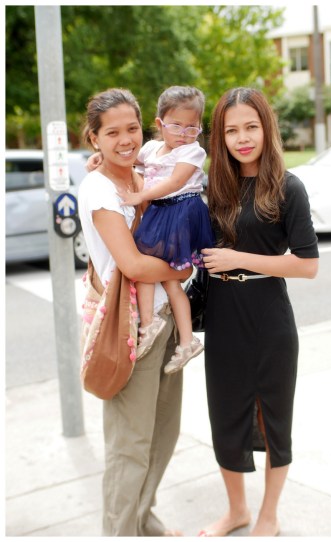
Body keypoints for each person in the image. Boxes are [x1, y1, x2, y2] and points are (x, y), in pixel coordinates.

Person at [197, 87, 319, 537]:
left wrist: (238, 258)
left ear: (267, 128)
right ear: (220, 136)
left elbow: (307, 265)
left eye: (251, 127)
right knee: (225, 416)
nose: (242, 138)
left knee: (274, 419)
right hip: (223, 316)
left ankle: (268, 514)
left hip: (269, 316)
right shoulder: (213, 185)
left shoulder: (288, 186)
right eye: (231, 130)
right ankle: (237, 511)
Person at [78, 87, 192, 536]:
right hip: (132, 329)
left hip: (163, 321)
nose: (125, 139)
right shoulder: (99, 189)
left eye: (131, 129)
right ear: (94, 139)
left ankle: (144, 518)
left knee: (164, 435)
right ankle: (121, 530)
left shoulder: (142, 172)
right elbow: (132, 264)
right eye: (112, 133)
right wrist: (181, 269)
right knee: (130, 445)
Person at [90, 85, 215, 374]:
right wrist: (98, 158)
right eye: (176, 126)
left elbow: (174, 183)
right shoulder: (150, 148)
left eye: (192, 128)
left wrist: (140, 196)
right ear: (159, 124)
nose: (184, 134)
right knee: (168, 279)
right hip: (161, 213)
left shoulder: (193, 151)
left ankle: (155, 326)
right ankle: (182, 339)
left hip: (180, 211)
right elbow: (128, 158)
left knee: (152, 265)